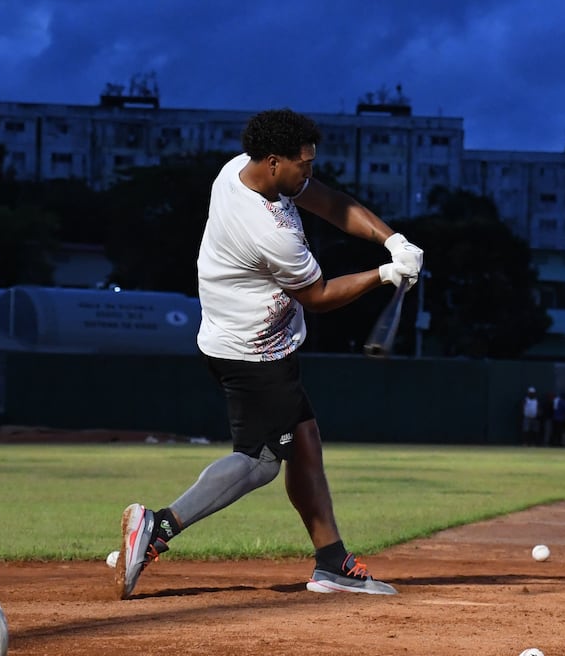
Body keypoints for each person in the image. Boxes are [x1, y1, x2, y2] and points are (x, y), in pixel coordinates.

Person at [116, 108, 423, 600]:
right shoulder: (267, 231)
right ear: (276, 162)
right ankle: (158, 528)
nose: (309, 171)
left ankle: (332, 562)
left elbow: (330, 202)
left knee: (305, 442)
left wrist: (393, 240)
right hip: (253, 353)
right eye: (304, 164)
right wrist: (383, 275)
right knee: (260, 461)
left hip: (251, 341)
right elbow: (318, 295)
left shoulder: (243, 168)